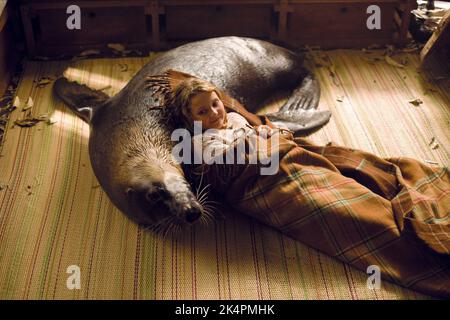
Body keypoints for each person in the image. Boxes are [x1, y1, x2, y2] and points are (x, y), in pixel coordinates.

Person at [148, 69, 450, 298]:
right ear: (191, 121)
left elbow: (270, 133)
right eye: (203, 111)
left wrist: (269, 134)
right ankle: (421, 252)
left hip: (292, 160)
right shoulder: (202, 143)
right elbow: (234, 167)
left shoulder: (236, 121)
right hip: (269, 185)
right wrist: (264, 141)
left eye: (216, 104)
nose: (215, 114)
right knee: (350, 210)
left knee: (364, 172)